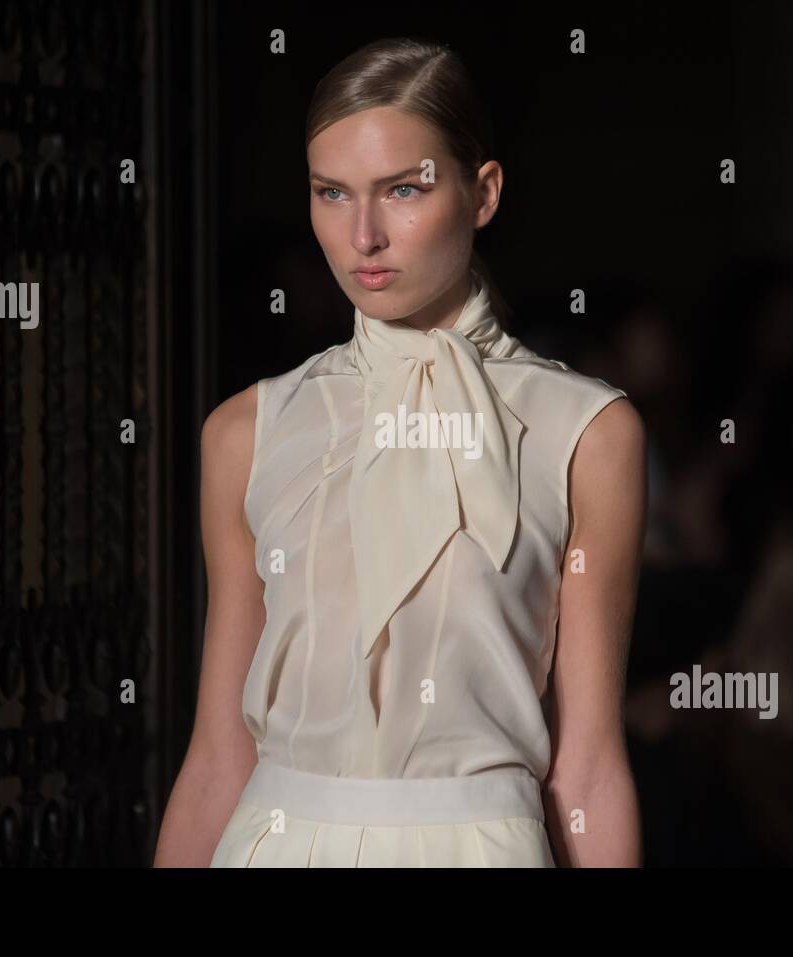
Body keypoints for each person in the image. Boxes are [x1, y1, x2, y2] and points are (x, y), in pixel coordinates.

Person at [153, 37, 647, 867]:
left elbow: (589, 764)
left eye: (404, 190)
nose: (365, 235)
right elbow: (217, 754)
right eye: (332, 193)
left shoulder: (587, 432)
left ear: (483, 192)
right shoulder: (247, 431)